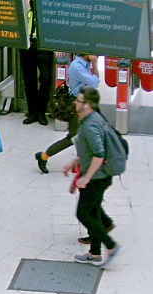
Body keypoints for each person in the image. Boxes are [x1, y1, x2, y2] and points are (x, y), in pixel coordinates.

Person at [62, 87, 121, 267]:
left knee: (83, 213)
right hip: (102, 175)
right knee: (94, 212)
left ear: (86, 104)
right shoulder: (94, 118)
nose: (75, 103)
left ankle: (111, 246)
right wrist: (76, 161)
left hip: (96, 178)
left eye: (78, 101)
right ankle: (94, 253)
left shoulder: (89, 125)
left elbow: (99, 154)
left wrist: (86, 177)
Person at [35, 53, 100, 173]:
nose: (97, 56)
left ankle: (80, 164)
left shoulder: (83, 64)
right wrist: (95, 64)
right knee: (73, 137)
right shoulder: (77, 66)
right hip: (76, 106)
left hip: (83, 105)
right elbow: (94, 82)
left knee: (81, 135)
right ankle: (43, 156)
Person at [19, 0, 53, 126]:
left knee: (46, 79)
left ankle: (41, 111)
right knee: (29, 80)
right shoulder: (26, 6)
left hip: (43, 45)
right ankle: (32, 112)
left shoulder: (46, 8)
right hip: (27, 45)